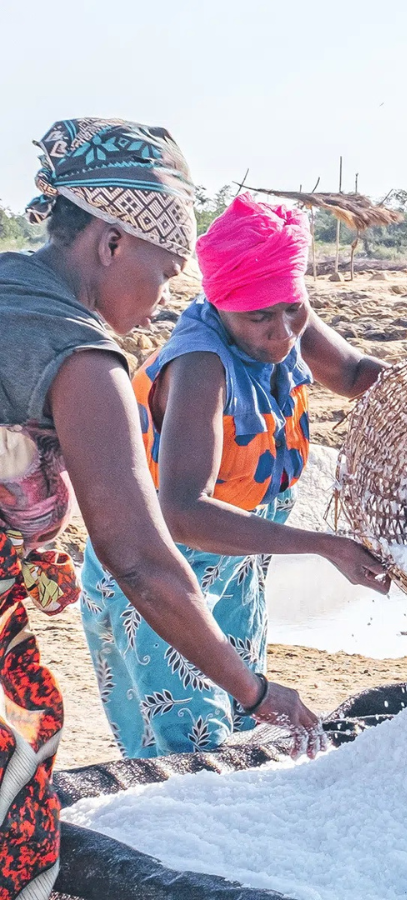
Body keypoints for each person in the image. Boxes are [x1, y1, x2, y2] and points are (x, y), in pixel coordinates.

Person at [0, 119, 333, 897]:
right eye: (165, 271)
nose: (161, 305)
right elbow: (143, 558)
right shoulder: (77, 352)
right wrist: (254, 692)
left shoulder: (11, 285)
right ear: (112, 243)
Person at [80, 193, 390, 758]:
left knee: (242, 733)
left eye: (292, 309)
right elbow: (182, 511)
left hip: (236, 568)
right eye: (259, 317)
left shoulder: (282, 311)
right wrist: (326, 546)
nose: (282, 333)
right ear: (220, 303)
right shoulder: (200, 367)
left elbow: (349, 373)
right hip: (160, 580)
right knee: (189, 751)